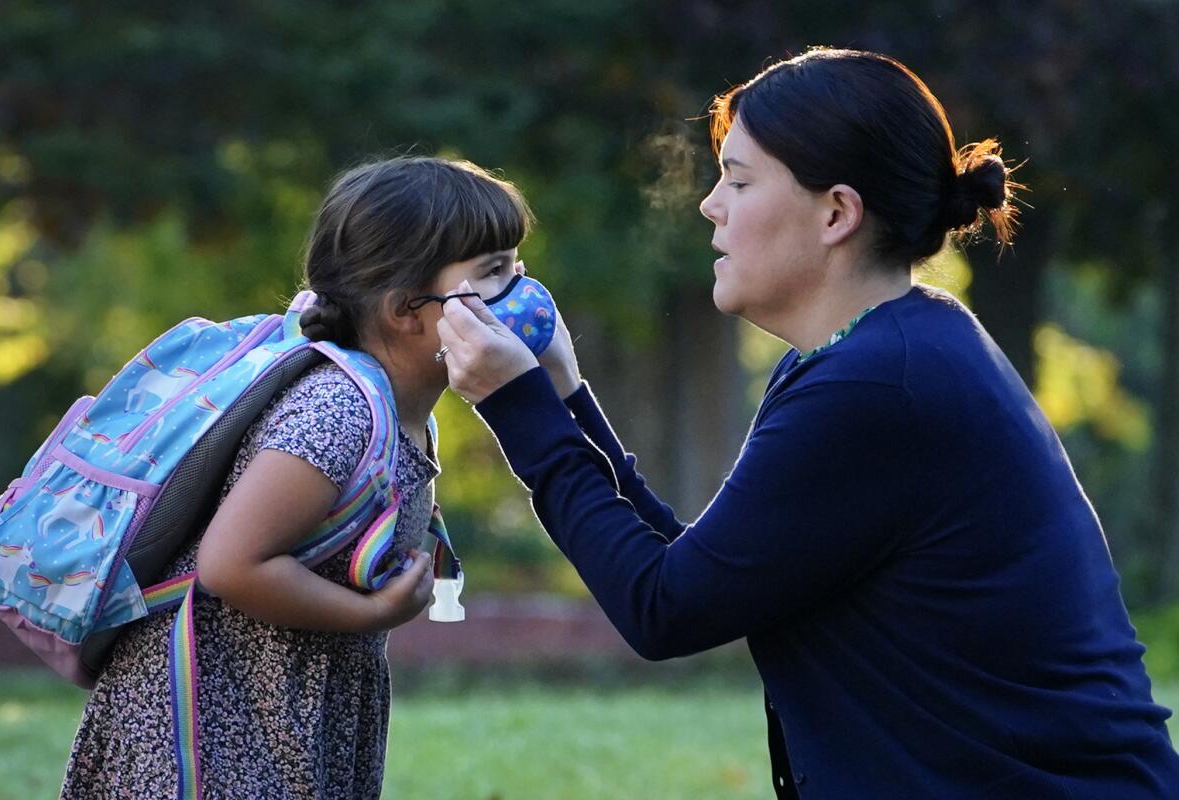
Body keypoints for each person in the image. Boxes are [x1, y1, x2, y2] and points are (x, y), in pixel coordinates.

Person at [435, 48, 1179, 799]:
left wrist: (515, 407)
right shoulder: (877, 353)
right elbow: (693, 570)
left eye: (739, 178)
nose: (710, 205)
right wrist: (564, 395)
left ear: (836, 213)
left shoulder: (879, 386)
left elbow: (664, 611)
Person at [60, 156, 534, 799]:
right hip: (208, 735)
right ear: (405, 310)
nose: (523, 287)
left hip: (278, 726)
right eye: (494, 271)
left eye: (516, 263)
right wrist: (369, 613)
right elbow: (231, 565)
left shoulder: (399, 409)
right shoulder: (335, 413)